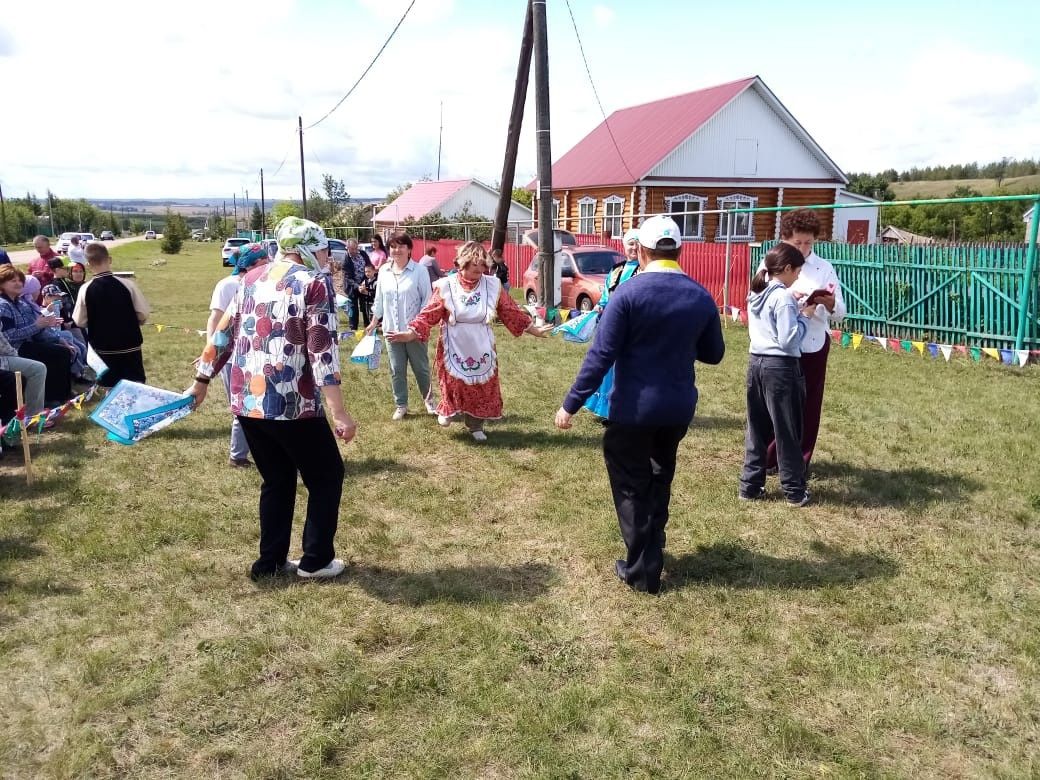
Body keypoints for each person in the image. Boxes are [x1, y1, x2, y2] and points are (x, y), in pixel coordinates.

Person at [554, 215, 725, 594]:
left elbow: (600, 355)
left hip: (633, 410)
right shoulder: (699, 295)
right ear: (679, 250)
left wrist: (571, 404)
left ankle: (642, 570)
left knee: (631, 485)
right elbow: (714, 354)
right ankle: (653, 544)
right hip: (677, 408)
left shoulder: (627, 295)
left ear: (643, 252)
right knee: (659, 477)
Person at [189, 216, 357, 581]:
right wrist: (339, 412)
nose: (329, 256)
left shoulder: (250, 278)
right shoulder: (314, 284)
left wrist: (202, 379)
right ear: (308, 250)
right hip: (292, 401)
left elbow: (222, 334)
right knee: (327, 476)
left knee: (277, 479)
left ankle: (269, 563)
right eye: (325, 248)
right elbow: (321, 350)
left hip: (248, 399)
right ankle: (316, 560)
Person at [390, 241, 553, 442]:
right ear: (462, 264)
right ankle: (449, 410)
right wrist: (411, 332)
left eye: (481, 266)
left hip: (481, 342)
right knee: (454, 383)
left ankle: (475, 425)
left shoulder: (492, 285)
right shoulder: (446, 285)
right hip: (454, 340)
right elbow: (429, 313)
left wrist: (534, 329)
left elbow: (510, 311)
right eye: (473, 266)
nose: (478, 270)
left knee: (482, 386)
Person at [765, 209, 846, 474]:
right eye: (797, 243)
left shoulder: (824, 268)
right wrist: (788, 296)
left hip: (812, 344)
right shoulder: (771, 262)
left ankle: (799, 461)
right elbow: (757, 298)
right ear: (785, 239)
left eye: (808, 243)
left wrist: (830, 303)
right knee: (775, 403)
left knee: (808, 405)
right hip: (779, 346)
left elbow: (842, 311)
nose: (803, 248)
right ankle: (768, 459)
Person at [740, 242, 813, 506]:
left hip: (756, 362)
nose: (797, 278)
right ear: (787, 268)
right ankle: (794, 490)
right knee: (787, 429)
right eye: (797, 272)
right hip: (781, 367)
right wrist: (804, 317)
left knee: (756, 427)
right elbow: (788, 340)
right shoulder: (782, 297)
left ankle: (750, 485)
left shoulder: (756, 292)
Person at [206, 243, 270, 468]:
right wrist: (210, 352)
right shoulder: (227, 285)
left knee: (258, 405)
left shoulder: (264, 282)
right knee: (242, 407)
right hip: (231, 357)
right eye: (263, 262)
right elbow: (215, 320)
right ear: (249, 265)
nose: (267, 265)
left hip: (257, 355)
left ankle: (261, 452)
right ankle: (238, 455)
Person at [365, 232, 436, 420]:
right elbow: (379, 299)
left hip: (414, 331)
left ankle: (429, 401)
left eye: (401, 246)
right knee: (396, 369)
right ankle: (401, 405)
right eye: (393, 246)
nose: (396, 250)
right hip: (391, 330)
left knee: (420, 368)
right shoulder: (384, 272)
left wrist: (414, 330)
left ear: (409, 249)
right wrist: (374, 321)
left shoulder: (419, 271)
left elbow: (426, 302)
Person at [73, 241, 151, 386]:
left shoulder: (86, 289)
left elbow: (79, 320)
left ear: (88, 265)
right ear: (109, 260)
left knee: (109, 386)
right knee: (136, 384)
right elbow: (143, 313)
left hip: (103, 347)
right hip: (130, 345)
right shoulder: (127, 285)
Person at [585, 228, 642, 418]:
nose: (634, 247)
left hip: (632, 328)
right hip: (611, 326)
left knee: (625, 368)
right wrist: (599, 307)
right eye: (630, 243)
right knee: (607, 366)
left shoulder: (646, 271)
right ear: (624, 246)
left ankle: (622, 409)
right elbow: (605, 298)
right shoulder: (616, 269)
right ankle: (606, 409)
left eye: (637, 243)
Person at [0, 264, 71, 405]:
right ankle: (51, 398)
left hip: (26, 343)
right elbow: (9, 336)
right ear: (2, 284)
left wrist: (56, 337)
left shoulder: (21, 303)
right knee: (53, 354)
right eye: (12, 281)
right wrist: (38, 325)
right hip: (13, 350)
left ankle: (60, 394)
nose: (18, 283)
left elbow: (38, 326)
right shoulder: (3, 306)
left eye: (19, 280)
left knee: (61, 351)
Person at [0, 328, 47, 418]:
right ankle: (32, 415)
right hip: (6, 354)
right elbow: (5, 342)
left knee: (57, 352)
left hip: (7, 352)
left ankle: (57, 396)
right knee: (37, 369)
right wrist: (37, 325)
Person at [340, 238, 371, 331]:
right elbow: (348, 277)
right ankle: (353, 328)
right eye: (351, 249)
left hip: (364, 284)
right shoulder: (345, 259)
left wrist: (365, 282)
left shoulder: (363, 254)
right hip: (352, 287)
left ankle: (368, 326)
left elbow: (369, 266)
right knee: (353, 307)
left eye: (355, 248)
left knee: (365, 305)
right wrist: (358, 286)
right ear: (347, 248)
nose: (354, 251)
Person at [355, 262, 377, 328]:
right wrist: (360, 289)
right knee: (368, 316)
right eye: (366, 272)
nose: (367, 273)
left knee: (373, 316)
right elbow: (361, 288)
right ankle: (371, 327)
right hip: (366, 303)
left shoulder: (376, 282)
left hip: (374, 303)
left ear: (374, 271)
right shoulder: (365, 281)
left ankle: (375, 328)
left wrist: (367, 293)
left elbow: (377, 294)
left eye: (369, 271)